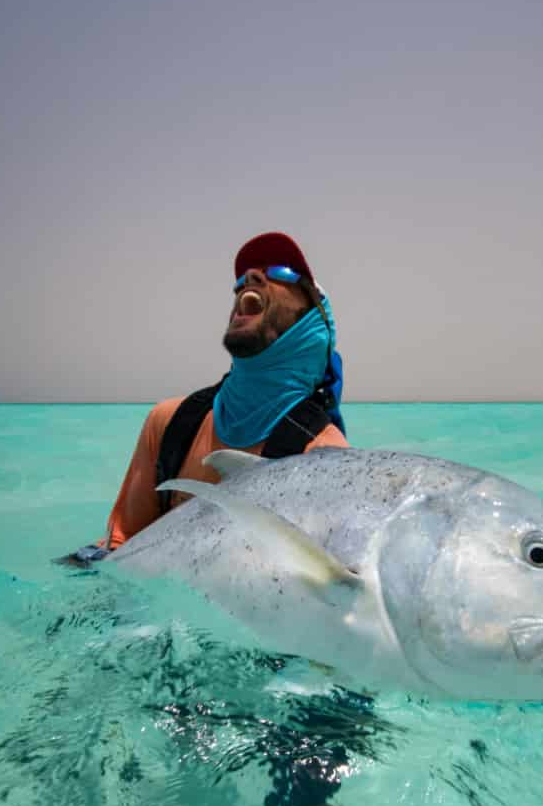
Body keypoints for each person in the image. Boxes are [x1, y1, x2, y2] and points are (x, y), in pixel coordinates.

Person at [63, 232, 348, 565]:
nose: (248, 280)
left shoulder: (324, 459)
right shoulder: (169, 422)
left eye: (281, 273)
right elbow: (121, 543)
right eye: (242, 279)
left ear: (310, 324)